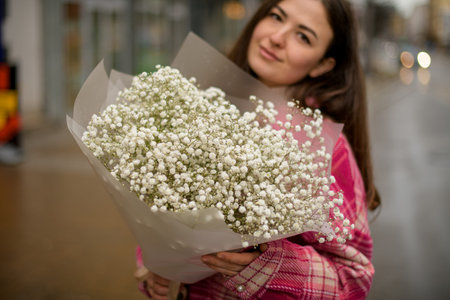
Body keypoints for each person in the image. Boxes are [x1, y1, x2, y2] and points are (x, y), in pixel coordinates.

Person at [134, 0, 381, 299]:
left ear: (323, 64)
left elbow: (353, 281)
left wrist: (268, 266)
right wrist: (157, 267)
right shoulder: (199, 107)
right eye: (276, 17)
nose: (277, 37)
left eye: (303, 36)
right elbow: (162, 215)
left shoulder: (323, 149)